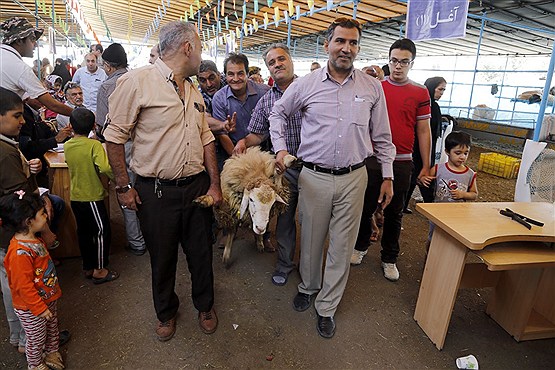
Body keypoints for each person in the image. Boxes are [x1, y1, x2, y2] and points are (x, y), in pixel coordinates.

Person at [269, 17, 395, 338]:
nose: (346, 48)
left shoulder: (371, 88)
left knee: (342, 245)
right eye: (340, 41)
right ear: (327, 45)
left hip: (355, 178)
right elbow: (278, 114)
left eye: (353, 43)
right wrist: (281, 150)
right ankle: (309, 287)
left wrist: (388, 176)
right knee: (310, 238)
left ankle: (327, 306)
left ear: (358, 48)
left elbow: (382, 136)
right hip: (314, 176)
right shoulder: (306, 84)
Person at [104, 21, 222, 340]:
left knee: (201, 252)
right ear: (187, 47)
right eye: (199, 47)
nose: (201, 54)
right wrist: (123, 185)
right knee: (163, 254)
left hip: (196, 186)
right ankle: (166, 312)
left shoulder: (193, 88)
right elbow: (113, 137)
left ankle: (205, 305)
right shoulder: (137, 82)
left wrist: (214, 184)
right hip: (155, 191)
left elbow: (206, 136)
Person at [351, 38, 432, 283]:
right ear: (388, 60)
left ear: (412, 63)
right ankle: (360, 245)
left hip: (402, 160)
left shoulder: (420, 92)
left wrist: (426, 164)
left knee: (395, 212)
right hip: (372, 157)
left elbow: (424, 130)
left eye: (404, 62)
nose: (398, 66)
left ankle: (389, 258)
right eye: (394, 61)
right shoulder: (375, 87)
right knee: (364, 206)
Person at [233, 43, 301, 286]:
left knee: (315, 222)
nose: (277, 65)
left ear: (290, 60)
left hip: (315, 168)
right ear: (268, 69)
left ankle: (311, 267)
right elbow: (258, 134)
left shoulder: (311, 89)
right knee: (284, 219)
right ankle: (285, 264)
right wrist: (243, 141)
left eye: (281, 59)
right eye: (271, 62)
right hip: (285, 170)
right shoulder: (266, 100)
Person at [1, 191, 65, 370]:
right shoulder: (19, 253)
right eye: (42, 214)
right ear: (29, 222)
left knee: (52, 328)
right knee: (36, 337)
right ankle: (35, 364)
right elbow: (23, 286)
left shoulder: (34, 240)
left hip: (47, 299)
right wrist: (39, 307)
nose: (46, 216)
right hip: (32, 307)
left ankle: (52, 352)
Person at [96, 43, 146, 256]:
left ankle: (137, 242)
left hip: (121, 146)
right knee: (146, 190)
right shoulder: (140, 80)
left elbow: (101, 126)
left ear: (107, 66)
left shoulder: (107, 86)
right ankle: (152, 236)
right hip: (144, 143)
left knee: (125, 189)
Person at [64, 107, 118, 284]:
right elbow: (105, 167)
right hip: (92, 196)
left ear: (71, 126)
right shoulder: (94, 145)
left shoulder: (68, 145)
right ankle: (100, 270)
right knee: (102, 231)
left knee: (84, 232)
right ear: (94, 125)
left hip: (76, 196)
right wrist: (116, 179)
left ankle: (88, 267)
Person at [0, 17, 73, 117]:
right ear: (19, 41)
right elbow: (53, 105)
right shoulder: (20, 68)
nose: (36, 45)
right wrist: (80, 115)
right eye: (32, 39)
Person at [211, 52, 270, 170]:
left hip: (263, 151)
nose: (236, 79)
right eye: (231, 74)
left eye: (240, 73)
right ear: (225, 75)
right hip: (232, 150)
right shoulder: (219, 98)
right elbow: (222, 134)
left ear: (247, 74)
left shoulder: (264, 92)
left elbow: (270, 125)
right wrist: (236, 159)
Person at [421, 131, 478, 245]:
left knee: (453, 242)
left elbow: (474, 194)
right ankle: (429, 258)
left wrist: (463, 194)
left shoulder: (470, 174)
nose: (462, 157)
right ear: (447, 151)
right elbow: (425, 182)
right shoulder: (438, 169)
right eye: (458, 153)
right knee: (433, 239)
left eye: (466, 153)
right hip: (438, 213)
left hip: (458, 216)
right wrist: (423, 179)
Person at [403, 76, 447, 212]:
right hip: (421, 149)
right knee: (425, 177)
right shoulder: (427, 105)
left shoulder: (431, 105)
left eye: (443, 90)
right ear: (432, 87)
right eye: (440, 89)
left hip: (419, 148)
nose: (441, 93)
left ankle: (404, 205)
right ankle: (430, 207)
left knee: (414, 177)